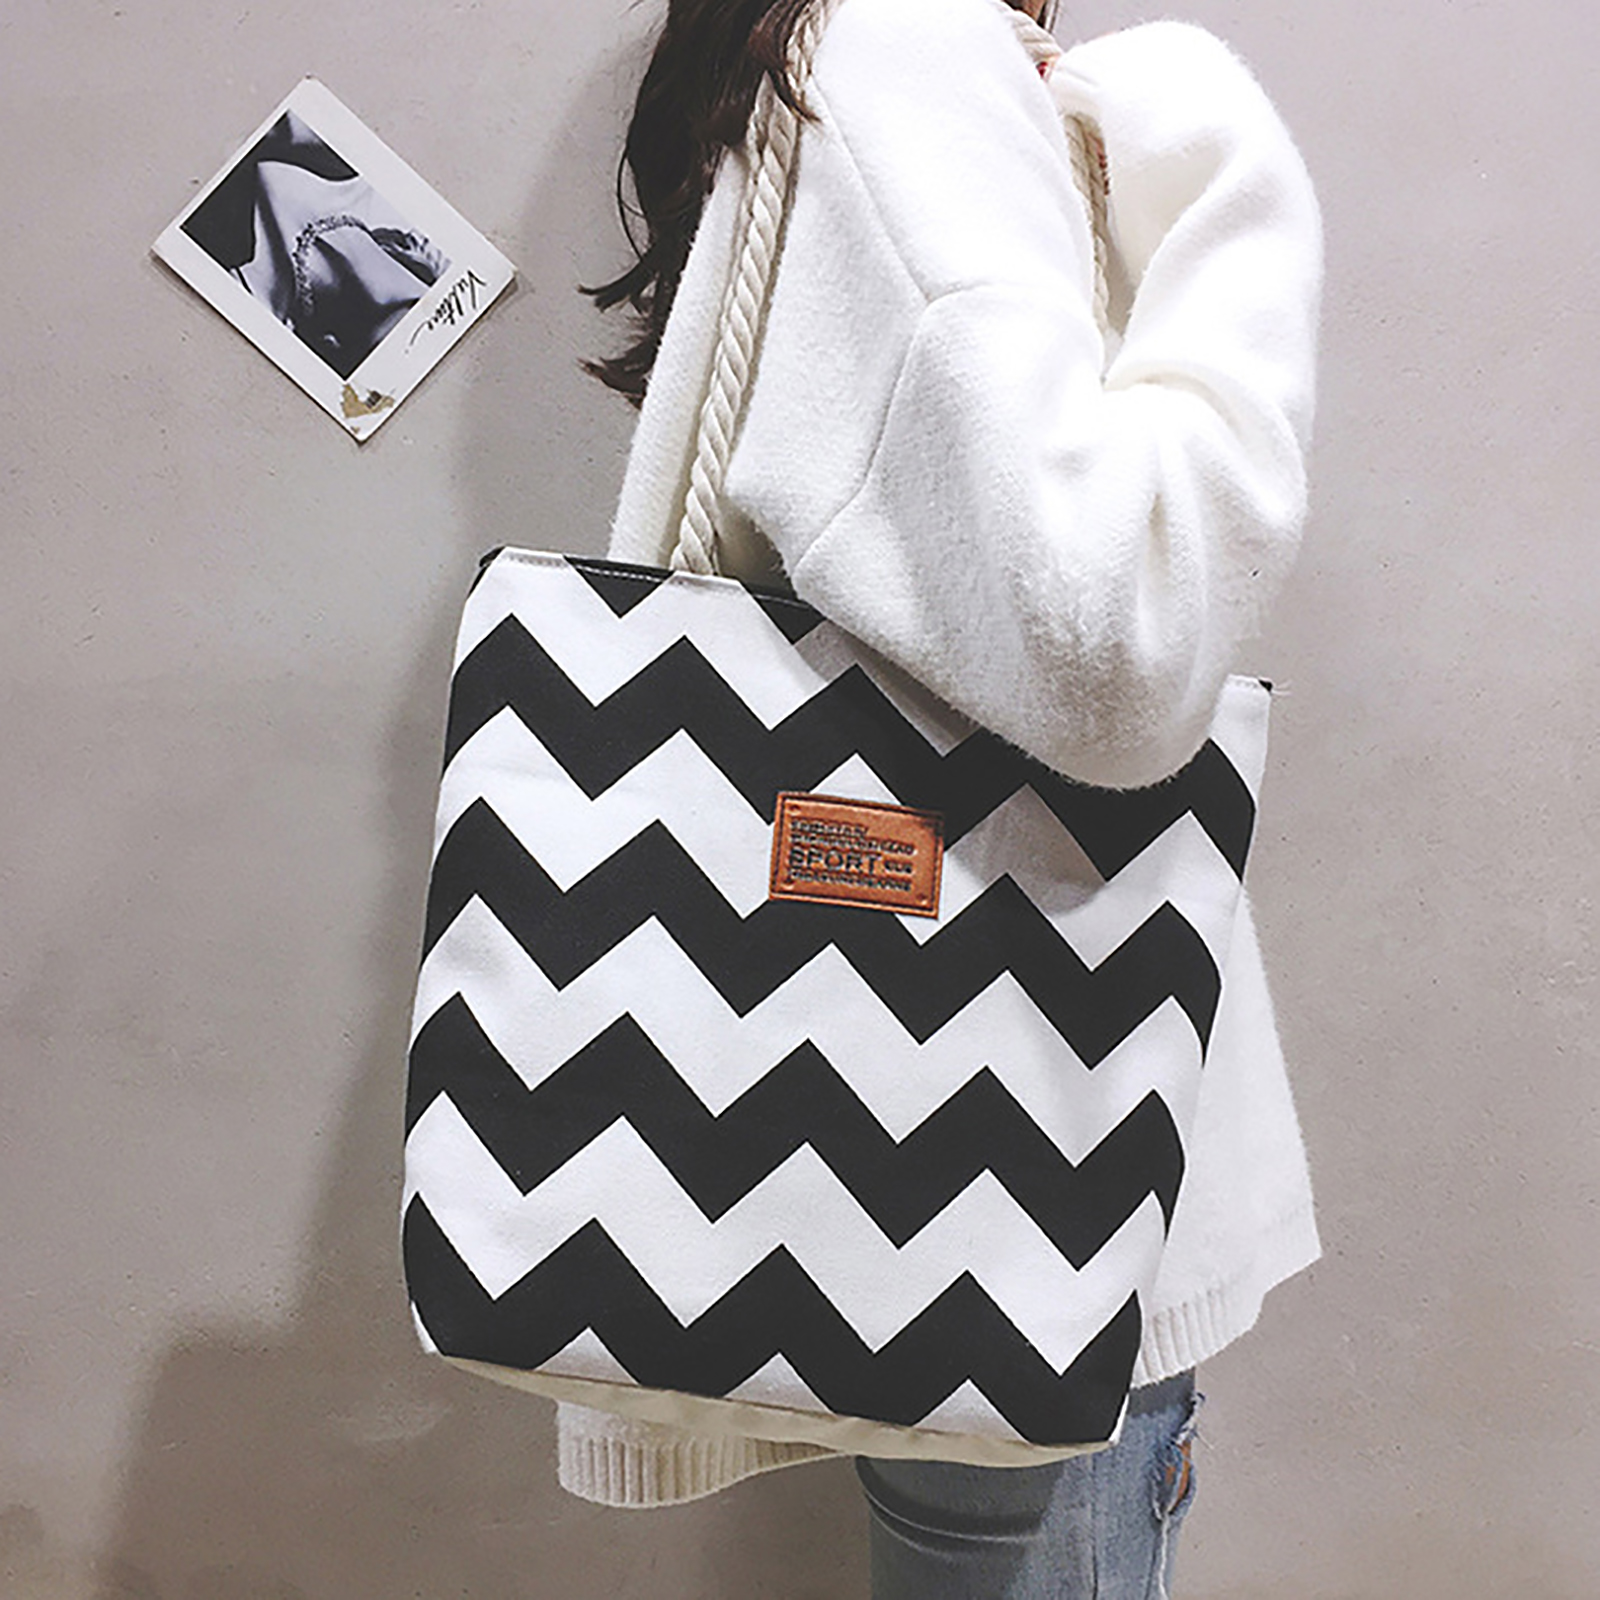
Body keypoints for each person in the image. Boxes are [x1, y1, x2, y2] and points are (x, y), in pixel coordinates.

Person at [565, 0, 1322, 1592]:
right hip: (1042, 1175)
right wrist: (1207, 149)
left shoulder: (829, 57)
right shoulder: (910, 49)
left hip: (959, 1156)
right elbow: (1122, 629)